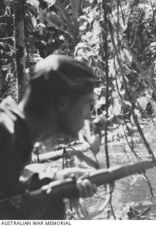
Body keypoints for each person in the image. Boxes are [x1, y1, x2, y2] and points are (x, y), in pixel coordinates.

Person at [0, 55, 98, 219]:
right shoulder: (5, 134)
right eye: (87, 103)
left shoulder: (17, 136)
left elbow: (7, 196)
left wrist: (56, 180)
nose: (89, 115)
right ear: (63, 103)